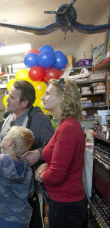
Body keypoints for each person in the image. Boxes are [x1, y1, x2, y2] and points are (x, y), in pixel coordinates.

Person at [0, 80, 54, 228]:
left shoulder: (39, 120)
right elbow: (0, 141)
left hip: (28, 193)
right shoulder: (7, 117)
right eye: (8, 94)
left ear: (24, 102)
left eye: (12, 97)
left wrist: (38, 154)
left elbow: (54, 148)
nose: (7, 98)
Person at [35, 78, 87, 228]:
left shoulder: (67, 128)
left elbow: (57, 175)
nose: (43, 97)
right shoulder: (65, 125)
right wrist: (46, 165)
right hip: (64, 203)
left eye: (48, 93)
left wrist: (40, 175)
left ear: (63, 98)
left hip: (66, 207)